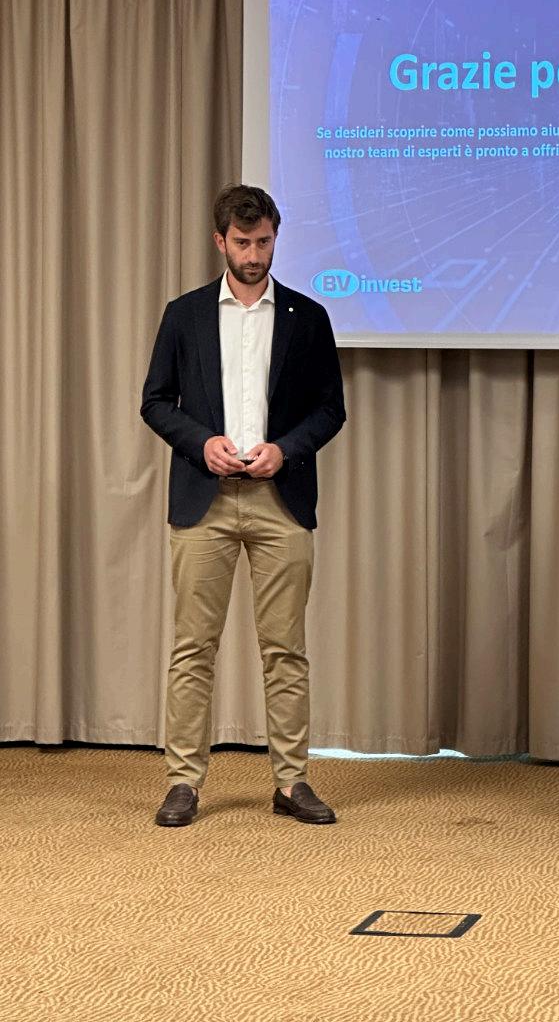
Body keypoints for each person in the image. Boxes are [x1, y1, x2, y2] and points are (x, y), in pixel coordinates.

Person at [141, 184, 345, 827]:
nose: (254, 255)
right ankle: (183, 782)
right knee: (192, 648)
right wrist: (201, 443)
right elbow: (155, 402)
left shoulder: (309, 317)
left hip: (281, 501)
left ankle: (291, 781)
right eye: (243, 242)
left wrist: (286, 450)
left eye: (264, 242)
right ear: (219, 241)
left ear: (275, 238)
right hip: (202, 501)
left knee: (285, 648)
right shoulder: (184, 314)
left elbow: (331, 410)